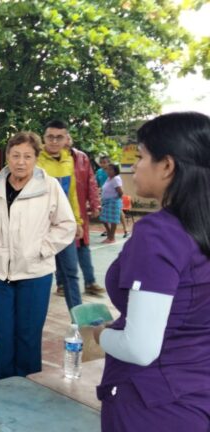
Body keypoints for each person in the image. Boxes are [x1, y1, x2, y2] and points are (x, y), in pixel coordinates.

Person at [92, 112, 210, 431]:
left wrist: (101, 334)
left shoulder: (159, 234)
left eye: (141, 156)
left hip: (152, 404)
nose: (137, 166)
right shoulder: (198, 230)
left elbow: (140, 348)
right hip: (197, 391)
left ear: (167, 166)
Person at [0, 131, 76, 380]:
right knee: (4, 336)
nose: (20, 162)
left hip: (34, 274)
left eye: (27, 156)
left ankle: (30, 391)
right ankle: (5, 388)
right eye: (15, 155)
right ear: (7, 155)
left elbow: (66, 225)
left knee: (28, 336)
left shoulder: (48, 187)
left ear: (36, 158)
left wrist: (41, 249)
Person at [38, 120, 84, 312]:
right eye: (50, 137)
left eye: (59, 137)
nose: (54, 141)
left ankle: (79, 320)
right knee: (41, 276)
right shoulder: (36, 160)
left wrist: (77, 222)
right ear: (44, 138)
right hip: (40, 228)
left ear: (66, 139)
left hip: (64, 226)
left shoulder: (69, 160)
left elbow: (72, 194)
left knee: (71, 274)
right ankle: (33, 323)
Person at [58, 139, 105, 297]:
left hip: (79, 210)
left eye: (66, 137)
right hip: (59, 211)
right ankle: (61, 284)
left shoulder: (82, 158)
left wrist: (95, 204)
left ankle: (90, 282)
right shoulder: (49, 159)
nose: (65, 141)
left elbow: (91, 181)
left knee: (83, 245)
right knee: (61, 247)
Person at [100, 164, 124, 244]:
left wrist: (115, 199)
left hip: (113, 202)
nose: (108, 171)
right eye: (108, 169)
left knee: (113, 220)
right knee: (103, 219)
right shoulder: (109, 178)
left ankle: (111, 237)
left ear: (115, 171)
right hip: (106, 202)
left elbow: (120, 192)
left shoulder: (116, 179)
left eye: (111, 170)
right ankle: (109, 235)